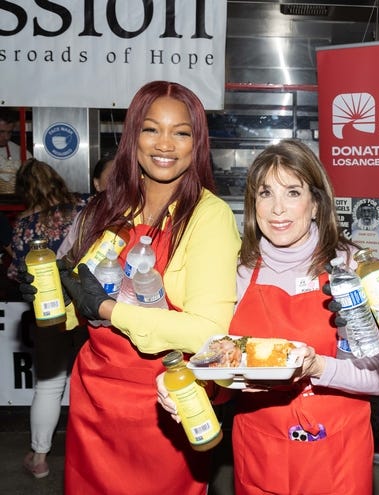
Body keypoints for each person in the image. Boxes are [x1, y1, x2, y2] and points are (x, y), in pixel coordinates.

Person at [20, 81, 241, 494]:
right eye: (151, 129)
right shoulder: (107, 208)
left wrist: (107, 310)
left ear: (197, 143)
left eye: (181, 132)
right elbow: (81, 303)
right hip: (96, 401)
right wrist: (53, 302)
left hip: (166, 400)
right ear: (132, 135)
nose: (165, 144)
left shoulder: (208, 216)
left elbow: (209, 331)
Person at [157, 139, 379, 494]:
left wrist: (318, 368)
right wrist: (194, 388)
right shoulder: (238, 271)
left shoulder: (349, 267)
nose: (277, 209)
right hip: (260, 447)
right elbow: (221, 374)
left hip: (335, 453)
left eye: (293, 192)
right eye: (265, 194)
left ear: (316, 203)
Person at [6, 158, 89, 479]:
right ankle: (89, 454)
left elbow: (16, 273)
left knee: (49, 385)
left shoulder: (25, 225)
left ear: (25, 191)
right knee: (90, 382)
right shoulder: (84, 204)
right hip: (86, 307)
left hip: (49, 313)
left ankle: (39, 457)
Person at [0, 108, 32, 194]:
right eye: (1, 132)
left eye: (9, 132)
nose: (6, 137)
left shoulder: (21, 152)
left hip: (13, 202)